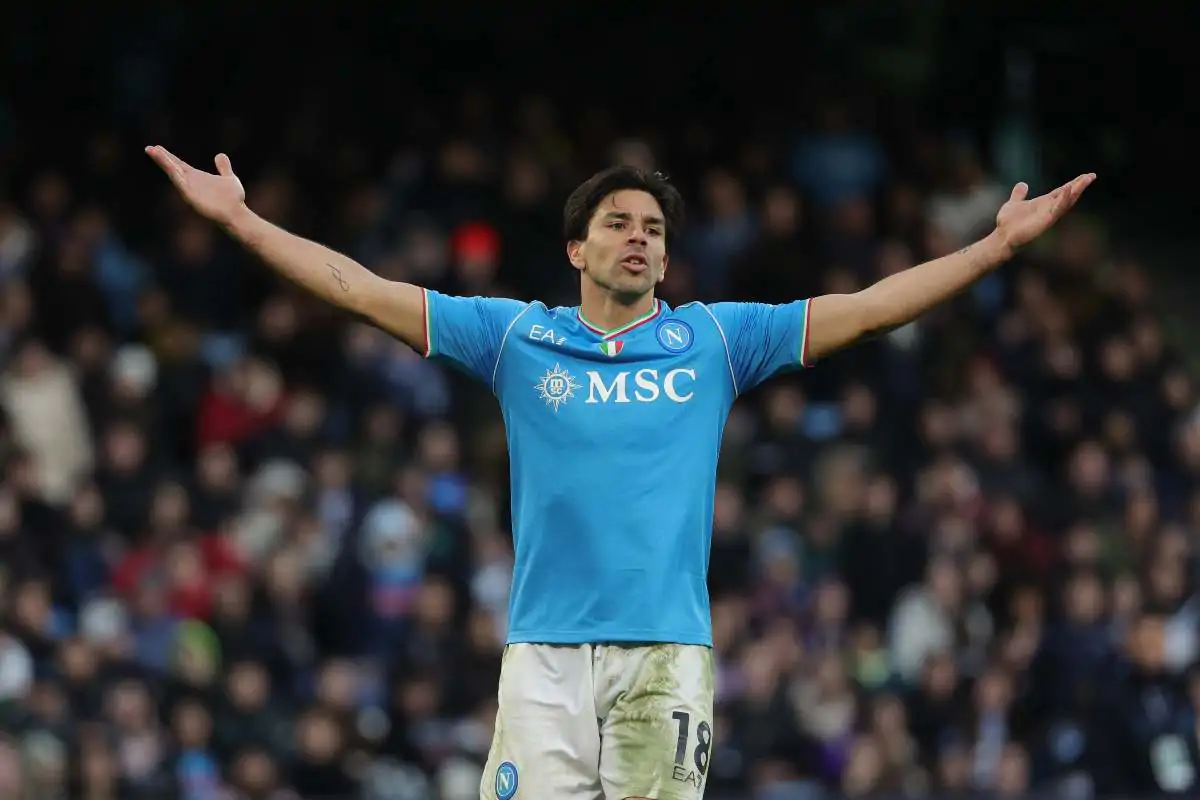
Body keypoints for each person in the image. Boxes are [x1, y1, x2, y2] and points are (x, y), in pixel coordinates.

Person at [145, 144, 1094, 800]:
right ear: (577, 249)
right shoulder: (516, 338)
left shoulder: (715, 341)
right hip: (543, 659)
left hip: (665, 656)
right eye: (618, 222)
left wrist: (994, 247)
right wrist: (244, 223)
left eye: (653, 228)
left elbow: (873, 307)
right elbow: (361, 290)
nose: (640, 236)